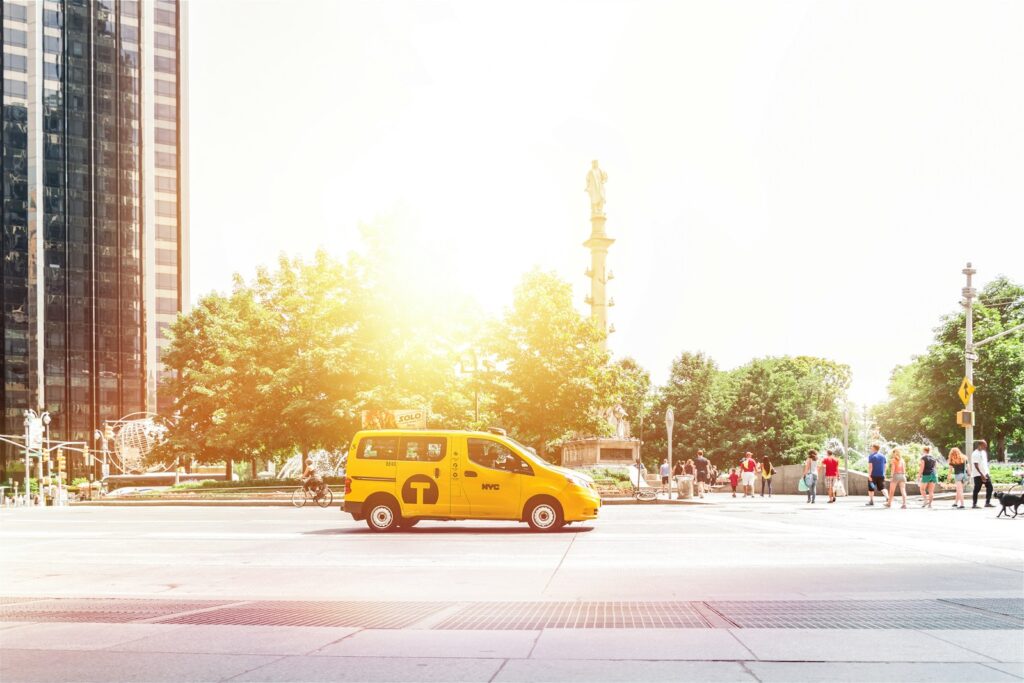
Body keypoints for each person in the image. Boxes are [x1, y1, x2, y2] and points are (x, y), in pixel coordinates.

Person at [970, 440, 994, 508]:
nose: (986, 446)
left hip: (985, 473)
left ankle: (987, 503)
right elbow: (976, 465)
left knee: (990, 487)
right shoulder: (975, 453)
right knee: (977, 489)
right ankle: (974, 504)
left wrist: (986, 473)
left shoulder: (984, 452)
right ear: (980, 445)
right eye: (984, 445)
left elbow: (984, 464)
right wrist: (981, 475)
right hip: (978, 474)